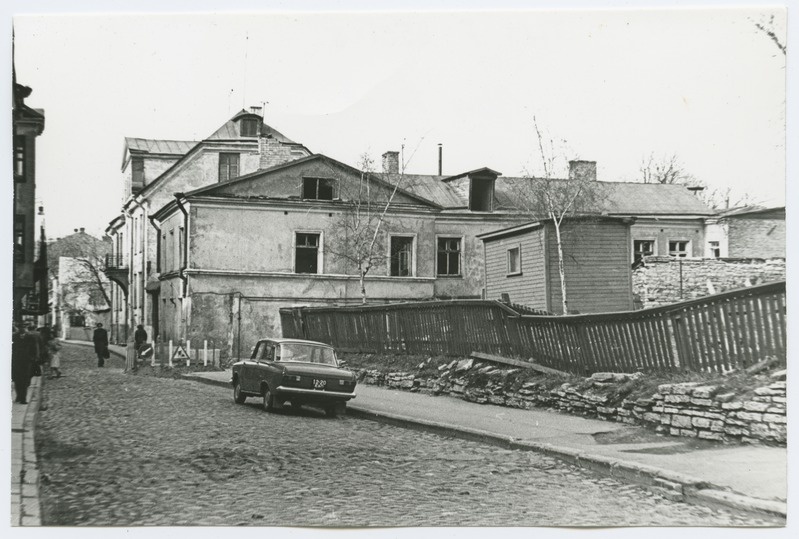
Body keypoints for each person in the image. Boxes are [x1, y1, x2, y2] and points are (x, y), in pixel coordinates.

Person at [11, 323, 37, 404]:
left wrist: (33, 357)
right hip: (16, 361)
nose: (22, 329)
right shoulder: (13, 337)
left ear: (26, 328)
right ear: (18, 328)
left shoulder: (30, 337)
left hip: (27, 361)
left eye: (23, 327)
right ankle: (19, 396)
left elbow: (34, 348)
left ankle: (23, 398)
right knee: (17, 379)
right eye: (20, 327)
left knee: (25, 379)